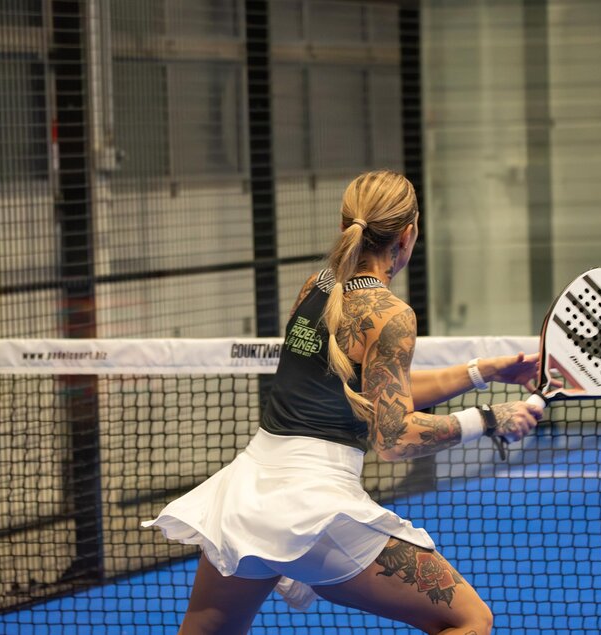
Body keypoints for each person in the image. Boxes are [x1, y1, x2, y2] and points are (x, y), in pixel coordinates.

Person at [149, 170, 544, 635]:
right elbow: (393, 437)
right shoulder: (392, 315)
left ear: (345, 227)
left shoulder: (316, 287)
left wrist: (484, 372)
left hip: (249, 490)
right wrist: (487, 418)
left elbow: (377, 392)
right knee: (470, 621)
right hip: (315, 505)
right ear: (409, 234)